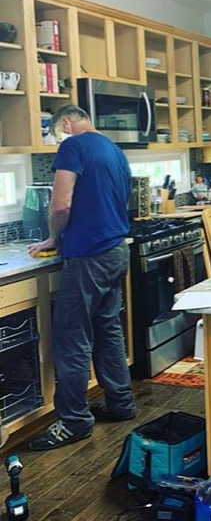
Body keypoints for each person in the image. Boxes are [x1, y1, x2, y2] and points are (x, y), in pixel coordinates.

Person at [27, 105, 137, 450]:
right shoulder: (113, 149)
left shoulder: (72, 145)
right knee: (108, 329)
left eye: (55, 131)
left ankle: (74, 421)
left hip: (88, 254)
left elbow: (61, 204)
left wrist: (52, 237)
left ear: (66, 122)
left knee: (72, 337)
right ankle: (121, 404)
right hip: (115, 249)